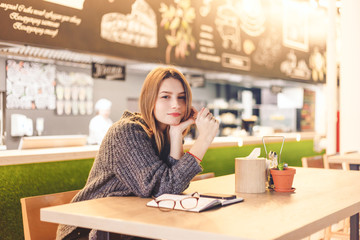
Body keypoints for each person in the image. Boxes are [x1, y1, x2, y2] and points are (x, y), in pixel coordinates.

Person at [56, 66, 219, 240]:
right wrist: (204, 140)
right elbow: (165, 189)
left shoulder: (166, 134)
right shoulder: (128, 131)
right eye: (165, 96)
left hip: (127, 224)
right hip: (89, 230)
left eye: (182, 98)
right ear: (150, 99)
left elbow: (172, 188)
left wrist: (176, 133)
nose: (176, 105)